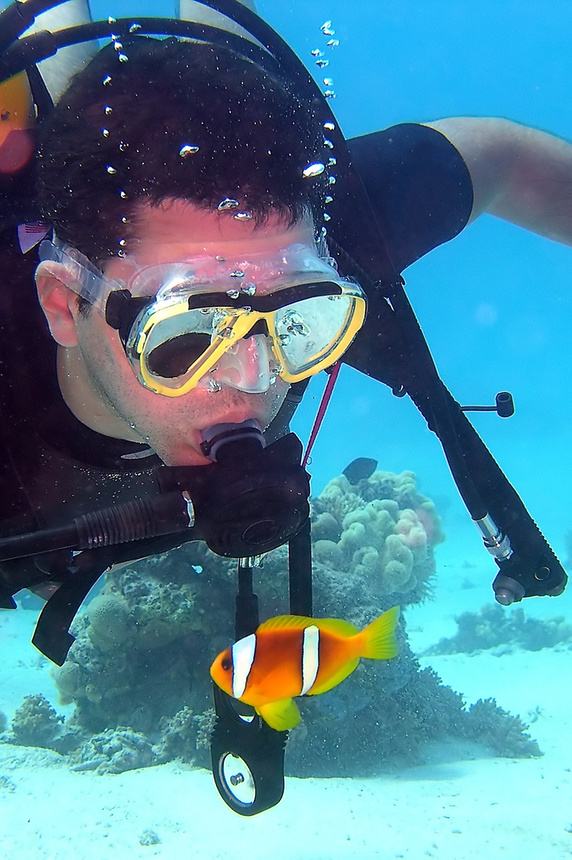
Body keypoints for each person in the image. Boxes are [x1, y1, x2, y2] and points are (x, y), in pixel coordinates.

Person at [0, 3, 571, 643]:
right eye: (188, 335)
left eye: (303, 317)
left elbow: (505, 158)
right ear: (61, 306)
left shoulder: (333, 234)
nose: (254, 382)